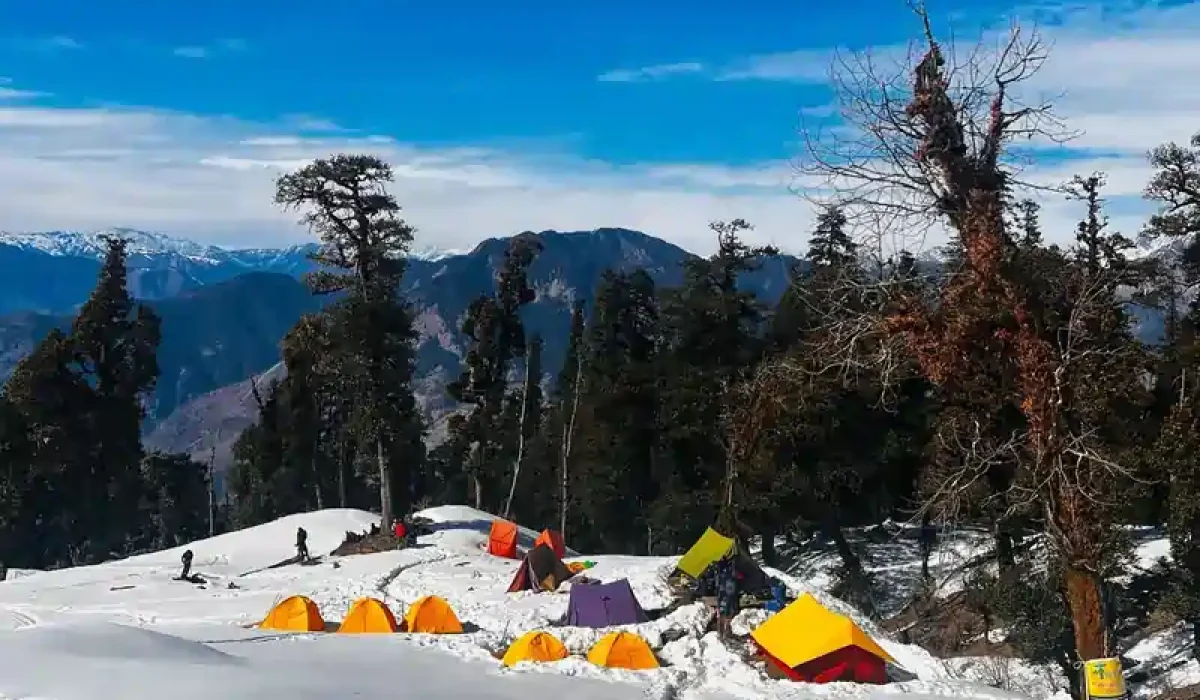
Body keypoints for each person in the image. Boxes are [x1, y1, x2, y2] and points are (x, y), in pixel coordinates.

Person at [715, 555, 740, 640]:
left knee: (724, 614)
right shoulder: (728, 572)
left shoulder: (720, 573)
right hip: (727, 595)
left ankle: (723, 633)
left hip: (723, 595)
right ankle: (724, 633)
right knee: (727, 614)